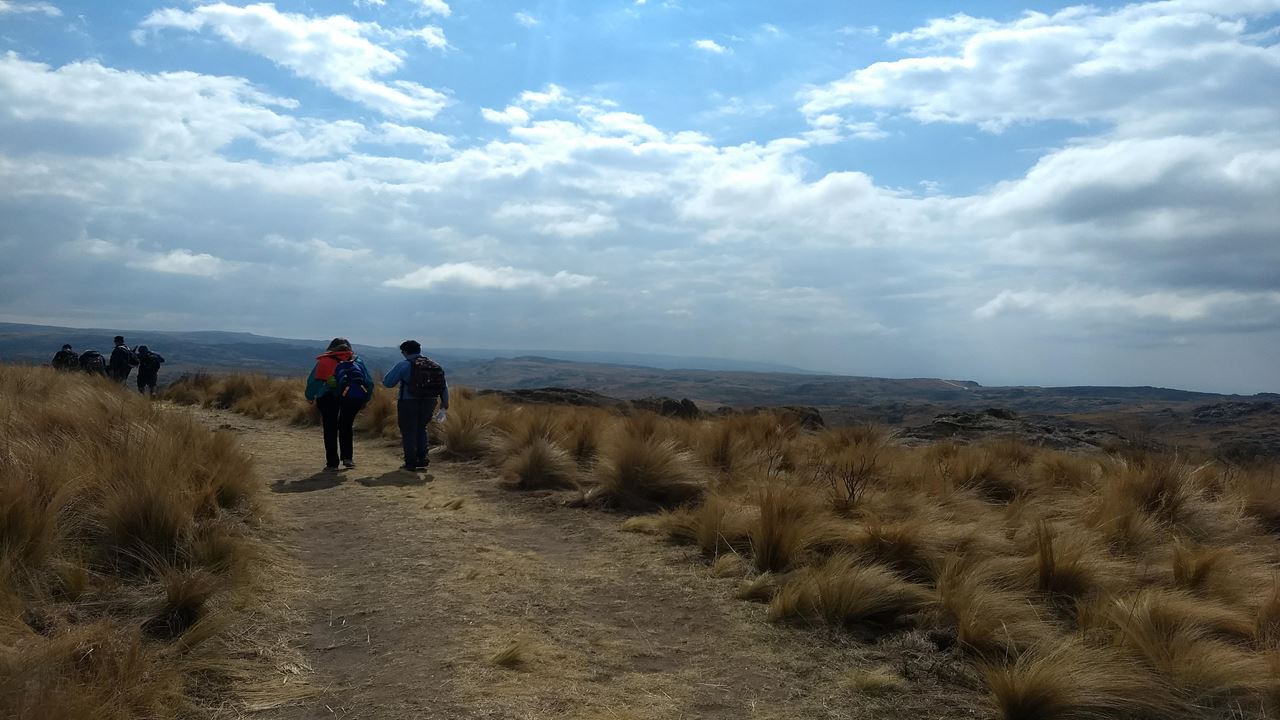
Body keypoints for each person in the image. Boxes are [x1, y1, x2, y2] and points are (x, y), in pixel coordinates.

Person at [304, 338, 374, 472]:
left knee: (330, 428)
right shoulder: (356, 361)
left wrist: (309, 396)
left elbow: (314, 381)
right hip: (352, 397)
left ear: (331, 347)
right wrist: (365, 398)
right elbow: (368, 382)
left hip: (328, 397)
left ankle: (332, 463)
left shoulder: (324, 361)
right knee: (346, 426)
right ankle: (348, 458)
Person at [382, 340, 449, 472]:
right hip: (430, 401)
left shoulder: (404, 365)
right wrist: (445, 402)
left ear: (405, 352)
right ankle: (422, 457)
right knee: (421, 427)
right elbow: (443, 385)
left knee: (408, 431)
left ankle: (411, 462)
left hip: (408, 401)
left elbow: (388, 383)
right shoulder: (435, 365)